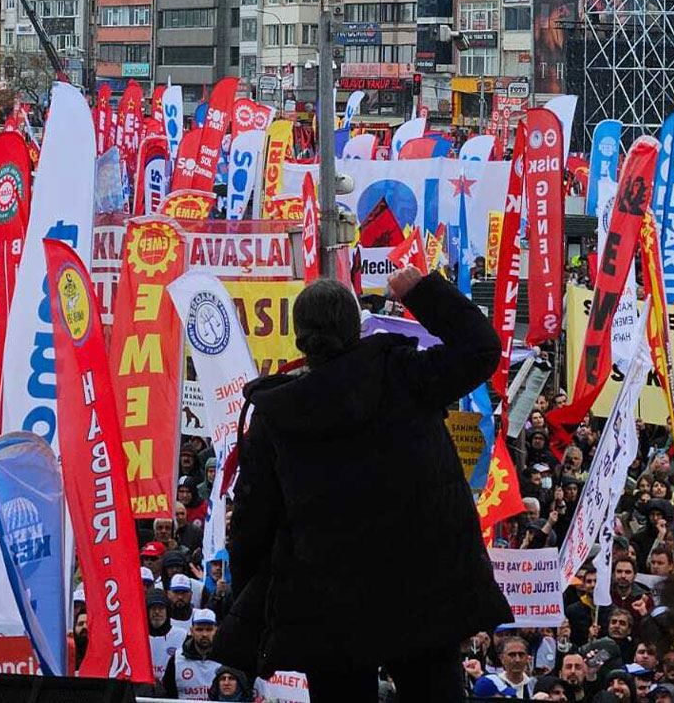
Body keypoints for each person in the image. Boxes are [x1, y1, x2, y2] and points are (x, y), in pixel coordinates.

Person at [224, 266, 511, 700]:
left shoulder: (278, 415)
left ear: (299, 336)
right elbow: (481, 348)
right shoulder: (403, 375)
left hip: (329, 609)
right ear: (355, 327)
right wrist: (423, 291)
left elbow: (251, 524)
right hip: (424, 591)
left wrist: (256, 602)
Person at [162, 608, 221, 699]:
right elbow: (167, 694)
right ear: (192, 631)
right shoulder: (177, 659)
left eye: (209, 630)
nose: (204, 634)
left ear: (216, 631)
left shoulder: (225, 659)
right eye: (199, 629)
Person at [471, 634, 538, 698]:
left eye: (521, 654)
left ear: (527, 658)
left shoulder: (535, 685)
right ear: (502, 658)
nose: (517, 660)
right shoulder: (491, 683)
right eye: (512, 655)